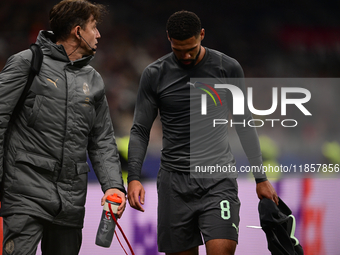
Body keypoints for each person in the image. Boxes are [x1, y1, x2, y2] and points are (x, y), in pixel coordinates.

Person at [127, 10, 278, 255]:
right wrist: (133, 176)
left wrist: (260, 178)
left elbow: (243, 123)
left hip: (217, 180)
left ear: (202, 35)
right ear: (168, 39)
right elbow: (140, 129)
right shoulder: (154, 74)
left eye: (192, 48)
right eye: (178, 50)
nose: (186, 56)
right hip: (174, 184)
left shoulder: (227, 69)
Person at [0, 0, 126, 254]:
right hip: (25, 194)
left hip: (71, 201)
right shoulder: (27, 63)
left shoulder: (94, 79)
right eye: (94, 27)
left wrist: (113, 184)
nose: (99, 35)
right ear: (77, 31)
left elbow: (101, 139)